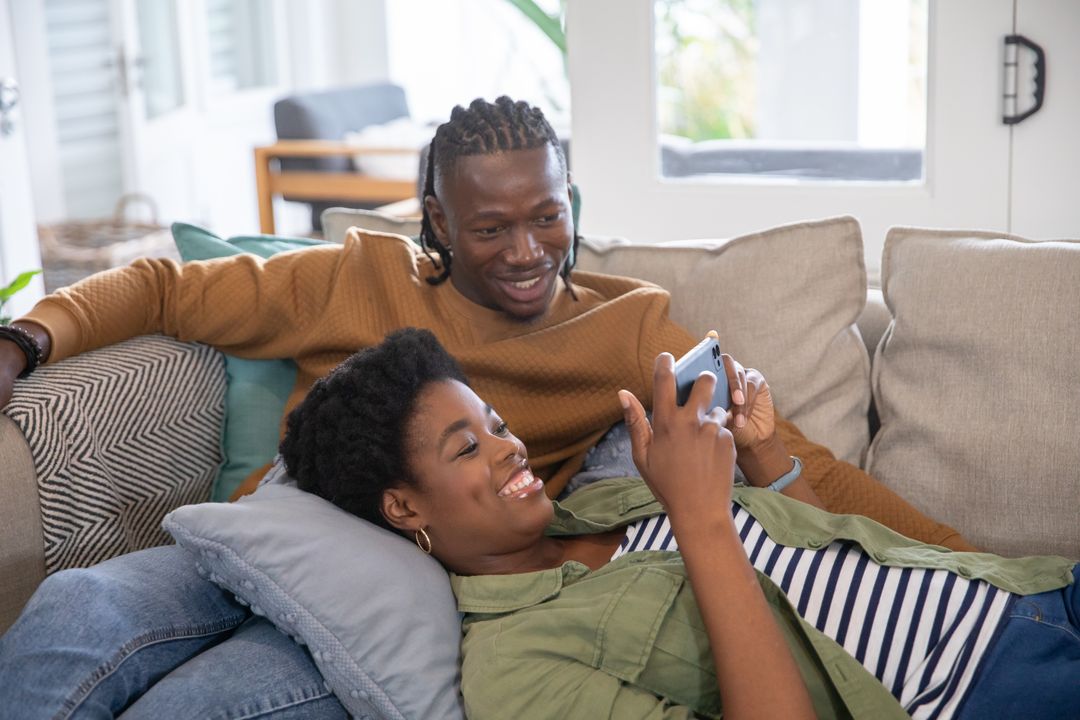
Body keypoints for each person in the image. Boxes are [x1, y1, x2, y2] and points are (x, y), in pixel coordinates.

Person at [0, 97, 974, 717]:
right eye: (490, 226)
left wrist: (987, 568)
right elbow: (163, 289)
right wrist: (23, 340)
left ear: (572, 204)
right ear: (436, 224)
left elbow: (798, 462)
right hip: (284, 526)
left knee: (203, 703)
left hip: (414, 577)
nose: (525, 251)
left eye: (547, 216)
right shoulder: (354, 276)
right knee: (82, 602)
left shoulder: (632, 330)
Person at [285, 328, 1078, 720]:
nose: (507, 447)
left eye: (496, 424)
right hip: (987, 688)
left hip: (1030, 591)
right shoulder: (511, 670)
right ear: (403, 506)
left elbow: (816, 572)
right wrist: (700, 520)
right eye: (468, 446)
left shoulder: (596, 506)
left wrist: (764, 458)